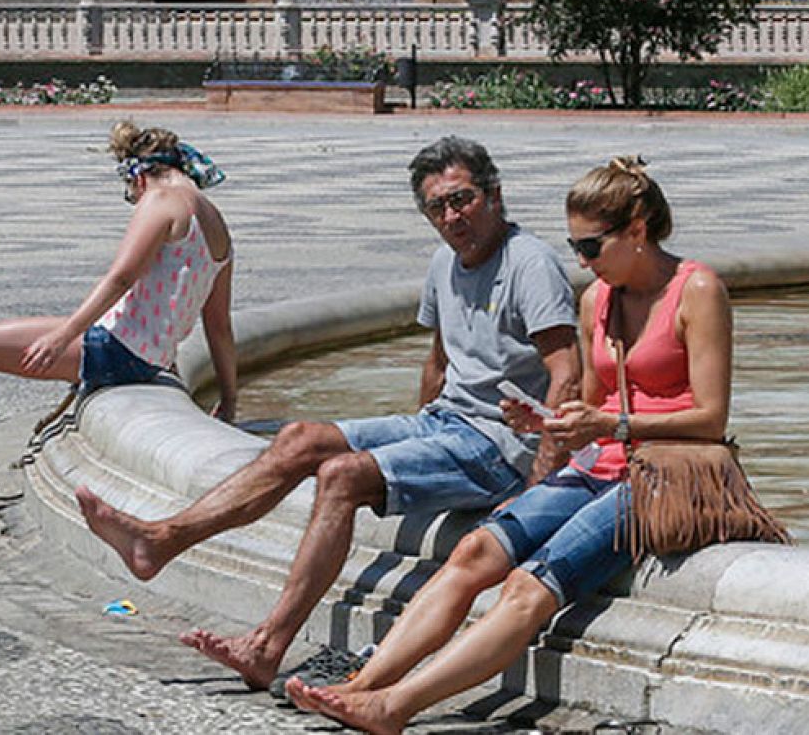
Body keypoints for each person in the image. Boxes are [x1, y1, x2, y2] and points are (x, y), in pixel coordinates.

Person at [76, 136, 581, 690]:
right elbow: (437, 362)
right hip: (445, 425)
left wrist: (540, 484)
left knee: (342, 475)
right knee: (299, 438)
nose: (451, 217)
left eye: (462, 200)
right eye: (437, 207)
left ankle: (268, 645)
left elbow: (568, 373)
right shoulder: (445, 263)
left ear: (494, 195)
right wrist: (409, 442)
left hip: (499, 445)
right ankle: (163, 539)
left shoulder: (529, 264)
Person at [285, 157, 734, 734]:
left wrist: (607, 425)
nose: (581, 262)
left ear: (638, 230)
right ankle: (362, 685)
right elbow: (588, 409)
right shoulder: (598, 298)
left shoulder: (697, 289)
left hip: (666, 475)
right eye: (576, 246)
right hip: (602, 462)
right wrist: (548, 422)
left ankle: (396, 707)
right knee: (473, 552)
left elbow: (712, 418)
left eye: (592, 247)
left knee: (528, 583)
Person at [0, 122, 239, 517]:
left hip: (119, 350)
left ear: (138, 176)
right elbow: (219, 325)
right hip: (141, 351)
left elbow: (121, 276)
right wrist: (230, 398)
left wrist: (62, 335)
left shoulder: (162, 201)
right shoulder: (215, 221)